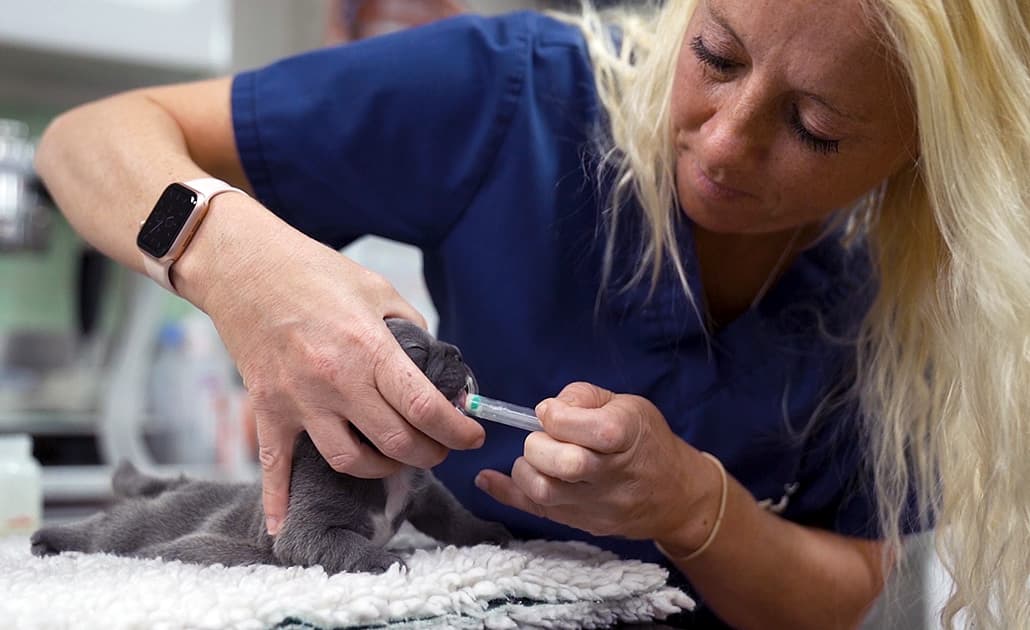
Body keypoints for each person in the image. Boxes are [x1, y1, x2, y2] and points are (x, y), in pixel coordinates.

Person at [35, 0, 1029, 628]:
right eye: (716, 55)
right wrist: (243, 267)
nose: (723, 143)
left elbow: (851, 589)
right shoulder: (512, 96)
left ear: (921, 156)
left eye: (813, 128)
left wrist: (695, 510)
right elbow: (89, 140)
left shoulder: (913, 281)